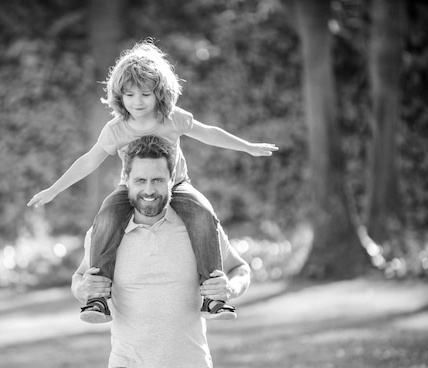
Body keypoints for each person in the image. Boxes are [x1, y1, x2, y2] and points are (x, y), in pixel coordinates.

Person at [28, 39, 273, 322]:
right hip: (130, 187)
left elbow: (209, 133)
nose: (138, 101)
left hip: (177, 184)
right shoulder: (117, 129)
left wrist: (248, 147)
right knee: (107, 216)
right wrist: (54, 190)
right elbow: (89, 160)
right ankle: (97, 299)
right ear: (119, 96)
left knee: (203, 214)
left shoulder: (172, 119)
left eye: (145, 93)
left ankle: (214, 297)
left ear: (160, 93)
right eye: (129, 95)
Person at [72, 135, 251, 368]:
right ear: (126, 180)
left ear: (173, 180)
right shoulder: (103, 233)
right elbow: (80, 277)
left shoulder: (199, 227)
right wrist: (84, 289)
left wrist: (230, 288)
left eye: (157, 180)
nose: (149, 190)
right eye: (140, 181)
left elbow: (240, 269)